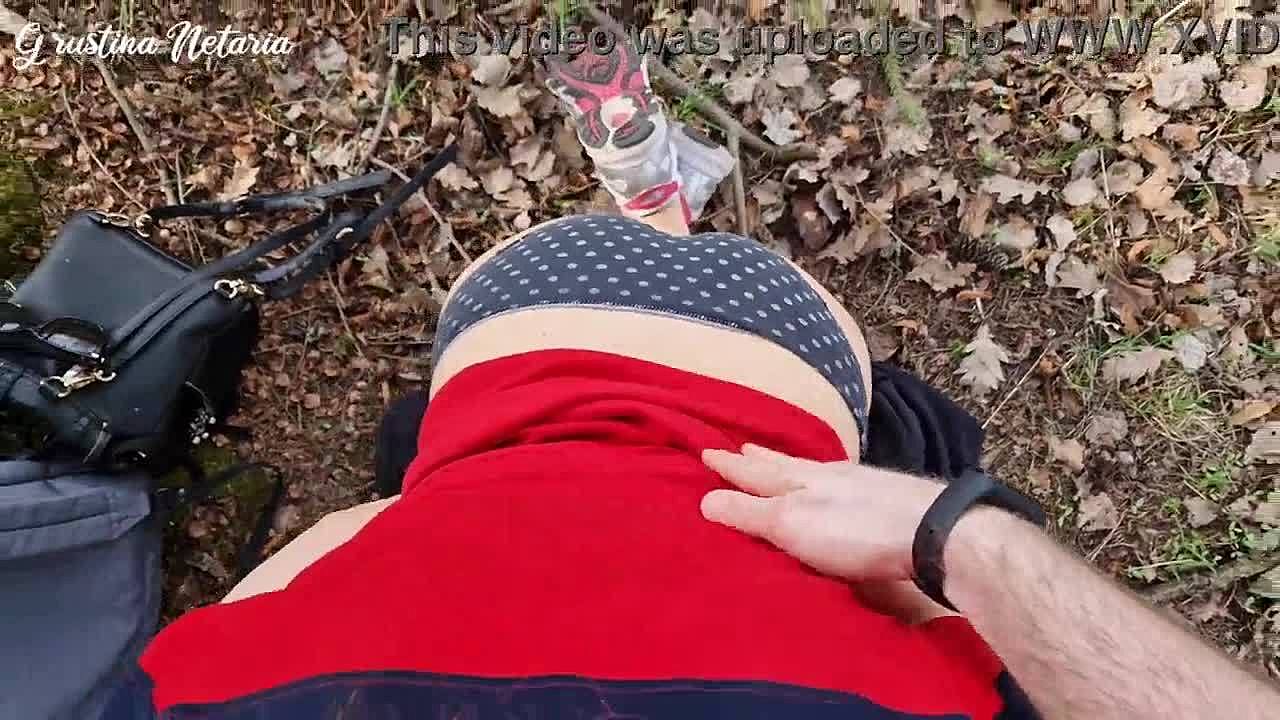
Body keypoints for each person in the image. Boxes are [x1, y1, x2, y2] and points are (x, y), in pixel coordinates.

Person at [100, 43, 1278, 720]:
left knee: (915, 436)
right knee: (415, 444)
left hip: (766, 355)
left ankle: (658, 207)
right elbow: (343, 541)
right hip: (522, 317)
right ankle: (652, 208)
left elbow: (945, 626)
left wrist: (947, 534)